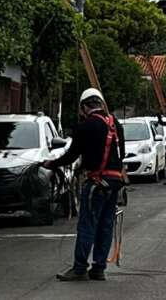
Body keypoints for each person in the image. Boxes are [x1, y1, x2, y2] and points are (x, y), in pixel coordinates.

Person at [42, 88, 126, 282]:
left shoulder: (86, 126)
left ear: (84, 107)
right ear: (100, 104)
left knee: (87, 225)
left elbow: (71, 155)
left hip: (97, 182)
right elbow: (120, 153)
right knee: (106, 225)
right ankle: (99, 268)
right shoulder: (116, 125)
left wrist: (51, 164)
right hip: (114, 182)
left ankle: (79, 268)